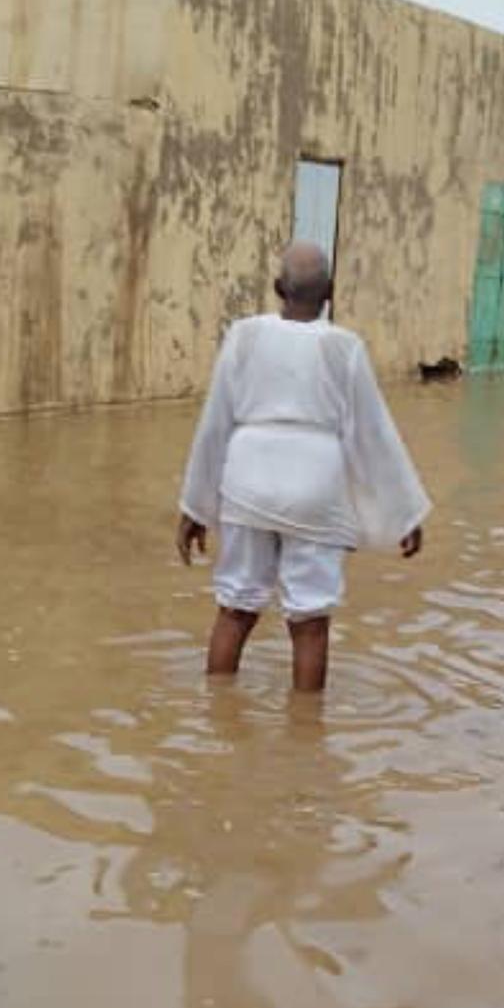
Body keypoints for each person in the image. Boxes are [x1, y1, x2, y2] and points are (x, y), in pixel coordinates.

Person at [176, 242, 428, 693]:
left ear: (278, 288)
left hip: (248, 481)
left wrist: (194, 506)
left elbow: (214, 423)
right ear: (330, 291)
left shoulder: (244, 336)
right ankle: (308, 727)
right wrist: (404, 513)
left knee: (235, 607)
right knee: (310, 621)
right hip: (316, 484)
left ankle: (216, 715)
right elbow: (373, 434)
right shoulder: (345, 347)